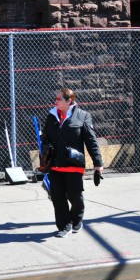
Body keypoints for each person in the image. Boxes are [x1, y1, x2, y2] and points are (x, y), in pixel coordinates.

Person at [41, 88, 104, 238]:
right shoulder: (52, 116)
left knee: (75, 195)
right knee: (57, 196)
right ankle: (64, 225)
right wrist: (45, 148)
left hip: (73, 164)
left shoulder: (83, 116)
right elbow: (46, 137)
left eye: (59, 99)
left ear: (69, 101)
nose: (55, 101)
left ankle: (76, 219)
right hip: (55, 164)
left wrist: (98, 164)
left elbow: (91, 141)